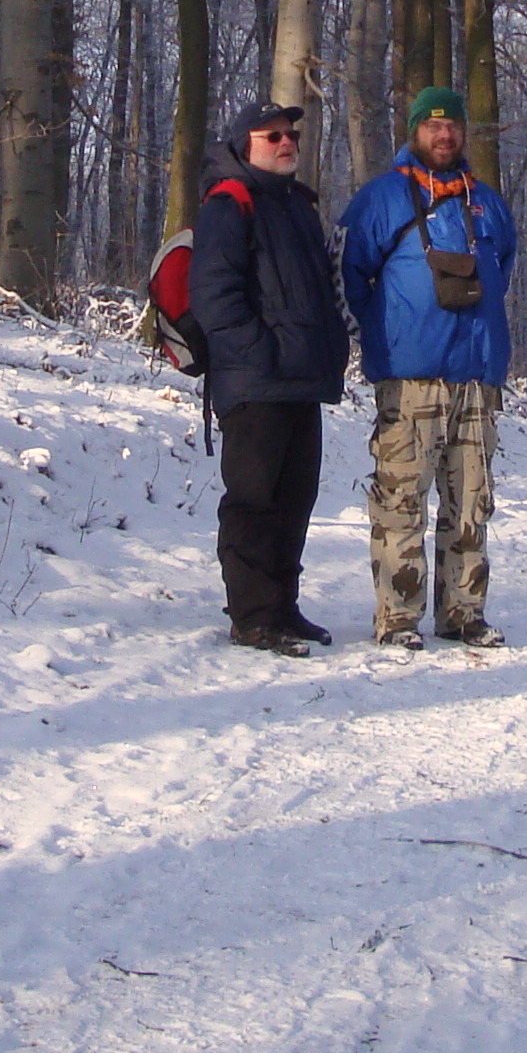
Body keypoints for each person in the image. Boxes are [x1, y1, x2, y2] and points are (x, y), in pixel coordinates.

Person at [339, 86, 520, 648]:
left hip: (476, 377)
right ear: (414, 131)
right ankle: (397, 617)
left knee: (471, 501)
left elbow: (503, 267)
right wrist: (384, 334)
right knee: (401, 500)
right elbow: (348, 274)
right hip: (410, 379)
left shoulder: (486, 203)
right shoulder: (382, 198)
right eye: (433, 126)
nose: (444, 135)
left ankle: (464, 613)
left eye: (453, 126)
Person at [186, 100, 350, 657]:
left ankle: (283, 608)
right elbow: (213, 296)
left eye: (291, 135)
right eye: (272, 135)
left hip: (300, 380)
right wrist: (258, 354)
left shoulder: (298, 205)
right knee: (254, 501)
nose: (287, 143)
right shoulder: (228, 204)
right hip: (256, 384)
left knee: (295, 500)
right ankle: (252, 615)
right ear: (244, 144)